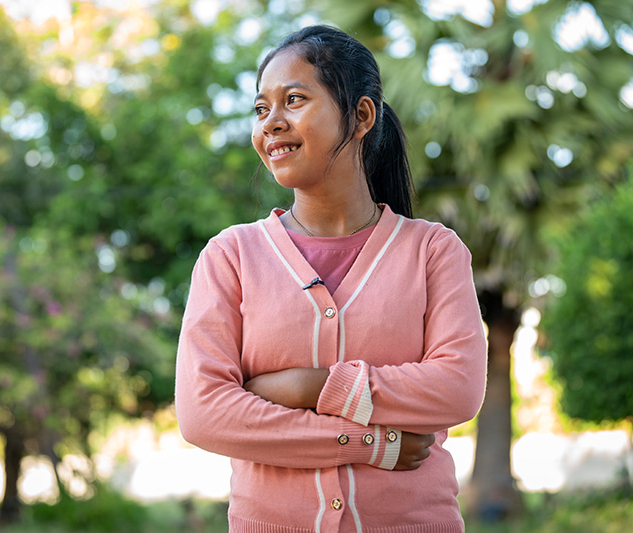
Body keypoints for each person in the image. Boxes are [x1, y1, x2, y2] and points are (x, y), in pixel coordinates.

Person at [175, 24, 487, 533]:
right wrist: (372, 443)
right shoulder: (230, 256)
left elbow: (456, 389)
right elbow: (204, 412)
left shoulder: (434, 250)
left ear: (361, 116)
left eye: (293, 99)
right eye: (260, 109)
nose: (270, 124)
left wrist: (307, 386)